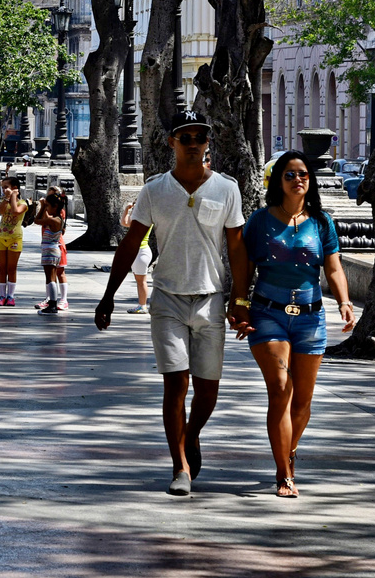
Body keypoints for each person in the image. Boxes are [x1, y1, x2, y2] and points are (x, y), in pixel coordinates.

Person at [94, 109, 249, 498]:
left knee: (208, 390)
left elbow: (237, 249)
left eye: (200, 137)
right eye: (186, 137)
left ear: (207, 143)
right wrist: (109, 295)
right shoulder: (154, 190)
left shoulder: (227, 189)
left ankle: (191, 434)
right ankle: (179, 464)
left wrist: (241, 300)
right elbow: (132, 243)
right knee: (176, 383)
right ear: (172, 143)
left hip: (211, 299)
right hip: (167, 299)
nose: (194, 143)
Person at [235, 151, 355, 498]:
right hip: (268, 313)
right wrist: (240, 305)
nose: (298, 180)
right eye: (289, 175)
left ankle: (289, 450)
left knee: (303, 402)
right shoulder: (260, 221)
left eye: (303, 174)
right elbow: (243, 267)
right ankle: (283, 474)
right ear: (278, 181)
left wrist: (345, 302)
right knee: (280, 389)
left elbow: (332, 268)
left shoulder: (321, 221)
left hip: (311, 317)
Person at [34, 187, 70, 315]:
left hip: (51, 251)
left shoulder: (53, 220)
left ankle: (53, 304)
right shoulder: (57, 218)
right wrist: (45, 206)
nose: (47, 208)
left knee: (50, 278)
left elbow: (37, 220)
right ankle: (52, 302)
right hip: (51, 250)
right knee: (51, 277)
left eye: (49, 206)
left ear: (55, 207)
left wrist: (42, 206)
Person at [0, 175, 28, 306]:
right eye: (2, 188)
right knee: (2, 268)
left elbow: (15, 211)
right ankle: (2, 295)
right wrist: (6, 198)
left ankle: (11, 296)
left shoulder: (23, 204)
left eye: (6, 187)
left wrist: (13, 196)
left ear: (15, 188)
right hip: (1, 237)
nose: (4, 190)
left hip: (15, 238)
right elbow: (1, 211)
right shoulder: (5, 201)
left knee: (11, 268)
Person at [120, 201, 152, 314]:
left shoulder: (142, 219)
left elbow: (125, 222)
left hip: (141, 251)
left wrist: (128, 210)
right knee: (140, 281)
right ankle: (141, 305)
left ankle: (142, 306)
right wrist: (127, 209)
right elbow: (125, 222)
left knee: (141, 281)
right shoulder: (145, 217)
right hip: (140, 252)